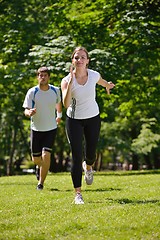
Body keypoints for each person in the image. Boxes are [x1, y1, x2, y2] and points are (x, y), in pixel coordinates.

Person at [61, 46, 115, 204]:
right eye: (76, 57)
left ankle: (89, 167)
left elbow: (102, 82)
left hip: (93, 118)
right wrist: (70, 84)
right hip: (74, 120)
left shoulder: (93, 75)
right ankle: (78, 194)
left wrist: (108, 86)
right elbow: (65, 104)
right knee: (76, 156)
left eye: (82, 57)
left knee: (91, 152)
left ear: (87, 61)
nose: (79, 60)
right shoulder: (66, 81)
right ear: (73, 61)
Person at [23, 66, 62, 190]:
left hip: (51, 128)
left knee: (46, 156)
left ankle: (41, 183)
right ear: (37, 77)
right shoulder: (32, 92)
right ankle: (38, 167)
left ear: (49, 77)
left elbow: (59, 103)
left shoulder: (56, 91)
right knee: (36, 159)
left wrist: (59, 116)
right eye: (40, 75)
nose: (43, 77)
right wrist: (29, 113)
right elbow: (26, 109)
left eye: (45, 75)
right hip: (36, 129)